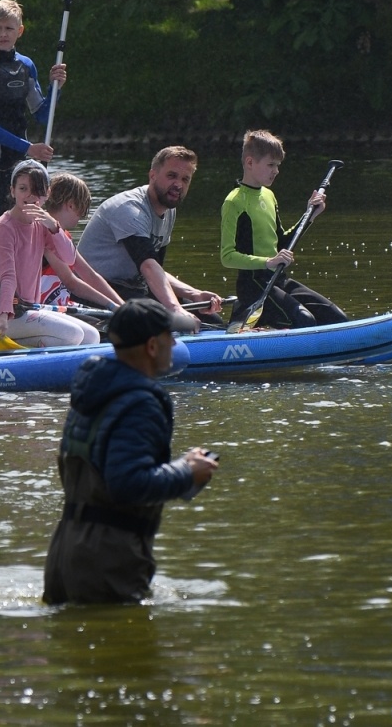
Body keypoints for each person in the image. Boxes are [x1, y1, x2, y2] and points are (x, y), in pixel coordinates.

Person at [42, 299, 220, 605]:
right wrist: (187, 471)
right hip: (107, 559)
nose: (174, 343)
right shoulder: (141, 403)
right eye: (170, 336)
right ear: (152, 346)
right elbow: (129, 484)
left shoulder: (93, 391)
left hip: (64, 552)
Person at [0, 0, 66, 305]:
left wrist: (55, 88)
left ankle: (21, 301)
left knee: (25, 230)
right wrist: (28, 148)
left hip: (20, 167)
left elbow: (41, 113)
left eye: (9, 28)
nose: (3, 33)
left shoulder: (27, 65)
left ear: (19, 31)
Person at [76, 146, 223, 334]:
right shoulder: (129, 208)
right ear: (152, 175)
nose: (178, 184)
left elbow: (156, 271)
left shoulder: (169, 210)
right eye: (172, 176)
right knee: (169, 321)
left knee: (213, 321)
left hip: (133, 287)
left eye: (185, 179)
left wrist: (193, 294)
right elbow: (147, 266)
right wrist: (175, 309)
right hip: (97, 290)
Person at [221, 129, 349, 329]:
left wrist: (310, 215)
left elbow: (283, 243)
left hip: (278, 280)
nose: (276, 171)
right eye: (271, 165)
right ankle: (245, 316)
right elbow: (227, 256)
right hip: (253, 287)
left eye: (278, 165)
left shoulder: (269, 196)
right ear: (250, 163)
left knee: (337, 317)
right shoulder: (234, 202)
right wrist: (269, 261)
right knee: (304, 320)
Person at [0, 161, 99, 348]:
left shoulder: (42, 224)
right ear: (12, 191)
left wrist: (54, 226)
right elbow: (7, 276)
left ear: (46, 195)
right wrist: (3, 315)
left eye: (37, 190)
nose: (29, 195)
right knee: (73, 334)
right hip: (3, 314)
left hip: (31, 309)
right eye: (23, 188)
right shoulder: (4, 227)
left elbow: (69, 258)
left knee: (91, 336)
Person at [37, 172, 124, 311]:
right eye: (82, 211)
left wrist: (123, 306)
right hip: (42, 307)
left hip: (60, 303)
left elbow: (90, 276)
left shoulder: (63, 236)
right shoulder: (44, 232)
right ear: (71, 205)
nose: (81, 218)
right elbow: (71, 282)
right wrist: (112, 306)